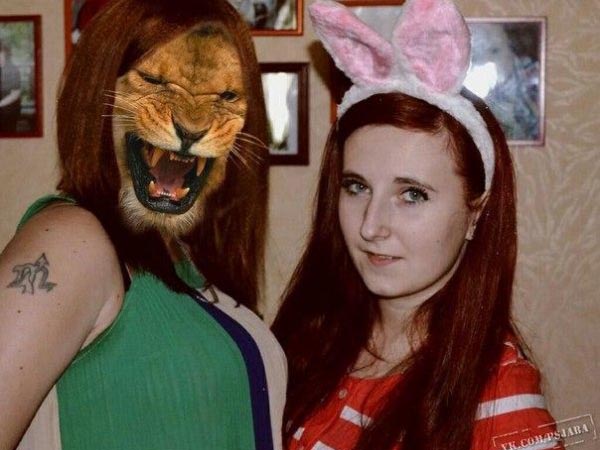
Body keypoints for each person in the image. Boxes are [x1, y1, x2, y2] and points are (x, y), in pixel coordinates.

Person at [272, 1, 562, 450]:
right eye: (356, 187)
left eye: (412, 195)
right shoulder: (310, 340)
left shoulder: (499, 397)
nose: (371, 226)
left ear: (476, 213)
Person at [0, 0, 285, 449]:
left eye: (225, 96)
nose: (192, 121)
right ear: (97, 93)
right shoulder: (70, 242)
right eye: (153, 81)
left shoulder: (183, 254)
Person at [0, 39, 22, 133]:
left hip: (9, 109)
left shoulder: (13, 69)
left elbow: (15, 94)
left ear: (5, 53)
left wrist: (0, 104)